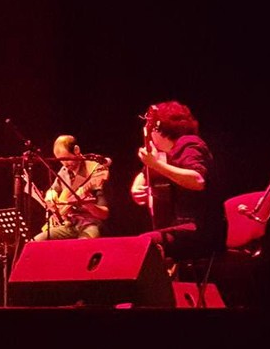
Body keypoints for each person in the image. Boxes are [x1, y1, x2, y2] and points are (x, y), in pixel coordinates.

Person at [130, 100, 223, 263]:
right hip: (185, 229)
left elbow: (197, 179)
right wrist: (136, 186)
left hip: (201, 231)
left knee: (142, 245)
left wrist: (155, 164)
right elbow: (146, 173)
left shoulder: (188, 143)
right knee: (143, 244)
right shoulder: (167, 154)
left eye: (151, 130)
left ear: (157, 129)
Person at [30, 135, 110, 241]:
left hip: (90, 224)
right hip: (68, 224)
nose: (65, 164)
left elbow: (104, 214)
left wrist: (88, 205)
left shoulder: (95, 170)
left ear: (76, 150)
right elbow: (53, 189)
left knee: (83, 245)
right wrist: (50, 195)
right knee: (35, 242)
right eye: (61, 160)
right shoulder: (64, 171)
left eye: (66, 159)